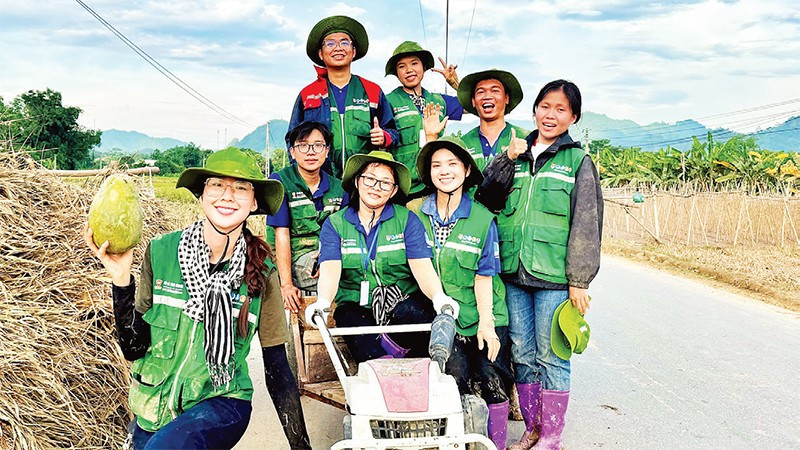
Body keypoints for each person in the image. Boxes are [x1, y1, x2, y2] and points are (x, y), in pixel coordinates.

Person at [85, 148, 311, 449]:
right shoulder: (161, 253)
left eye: (240, 188)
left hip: (221, 402)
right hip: (154, 409)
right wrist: (121, 278)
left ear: (254, 202)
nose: (227, 196)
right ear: (202, 195)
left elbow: (277, 369)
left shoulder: (264, 273)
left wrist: (301, 446)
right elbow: (134, 347)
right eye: (216, 184)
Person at [475, 80, 603, 450]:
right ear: (534, 110)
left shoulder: (577, 161)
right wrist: (508, 158)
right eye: (545, 106)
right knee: (521, 352)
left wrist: (579, 280)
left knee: (552, 355)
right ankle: (532, 428)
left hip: (553, 276)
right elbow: (486, 195)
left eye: (561, 109)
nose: (551, 115)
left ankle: (552, 437)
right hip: (513, 271)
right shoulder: (516, 154)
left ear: (573, 117)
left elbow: (586, 224)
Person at [305, 151, 459, 363]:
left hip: (401, 303)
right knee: (360, 338)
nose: (376, 187)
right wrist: (323, 301)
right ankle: (384, 367)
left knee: (420, 317)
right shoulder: (335, 224)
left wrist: (438, 296)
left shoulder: (406, 220)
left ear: (394, 190)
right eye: (370, 179)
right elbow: (330, 270)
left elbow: (422, 266)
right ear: (358, 181)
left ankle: (403, 358)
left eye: (386, 183)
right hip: (356, 305)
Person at [413, 135, 513, 450]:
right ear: (429, 173)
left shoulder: (483, 218)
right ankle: (455, 443)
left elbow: (485, 276)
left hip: (484, 312)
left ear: (467, 170)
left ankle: (493, 444)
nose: (445, 171)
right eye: (436, 165)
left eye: (452, 164)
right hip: (445, 317)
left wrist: (487, 322)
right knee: (452, 380)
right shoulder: (416, 215)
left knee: (492, 379)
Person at [288, 15, 399, 178]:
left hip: (363, 182)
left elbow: (393, 132)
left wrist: (384, 137)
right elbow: (292, 140)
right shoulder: (307, 94)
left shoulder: (372, 91)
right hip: (322, 182)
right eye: (330, 43)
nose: (338, 48)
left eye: (344, 42)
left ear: (353, 51)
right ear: (321, 53)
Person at [267, 121, 348, 313]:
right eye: (303, 145)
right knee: (317, 274)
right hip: (295, 258)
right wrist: (286, 284)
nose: (311, 151)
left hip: (330, 255)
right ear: (292, 152)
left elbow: (346, 231)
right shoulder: (280, 181)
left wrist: (328, 256)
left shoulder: (340, 187)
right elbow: (282, 235)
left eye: (318, 145)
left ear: (327, 151)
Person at [384, 41, 463, 201]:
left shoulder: (439, 100)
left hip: (438, 182)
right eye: (402, 66)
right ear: (396, 73)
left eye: (414, 63)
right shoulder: (388, 101)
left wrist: (456, 84)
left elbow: (476, 105)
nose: (409, 70)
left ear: (424, 67)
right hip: (405, 188)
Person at [457, 69, 529, 172]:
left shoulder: (525, 138)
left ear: (506, 98)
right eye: (480, 92)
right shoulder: (463, 144)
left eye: (495, 91)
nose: (487, 96)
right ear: (473, 101)